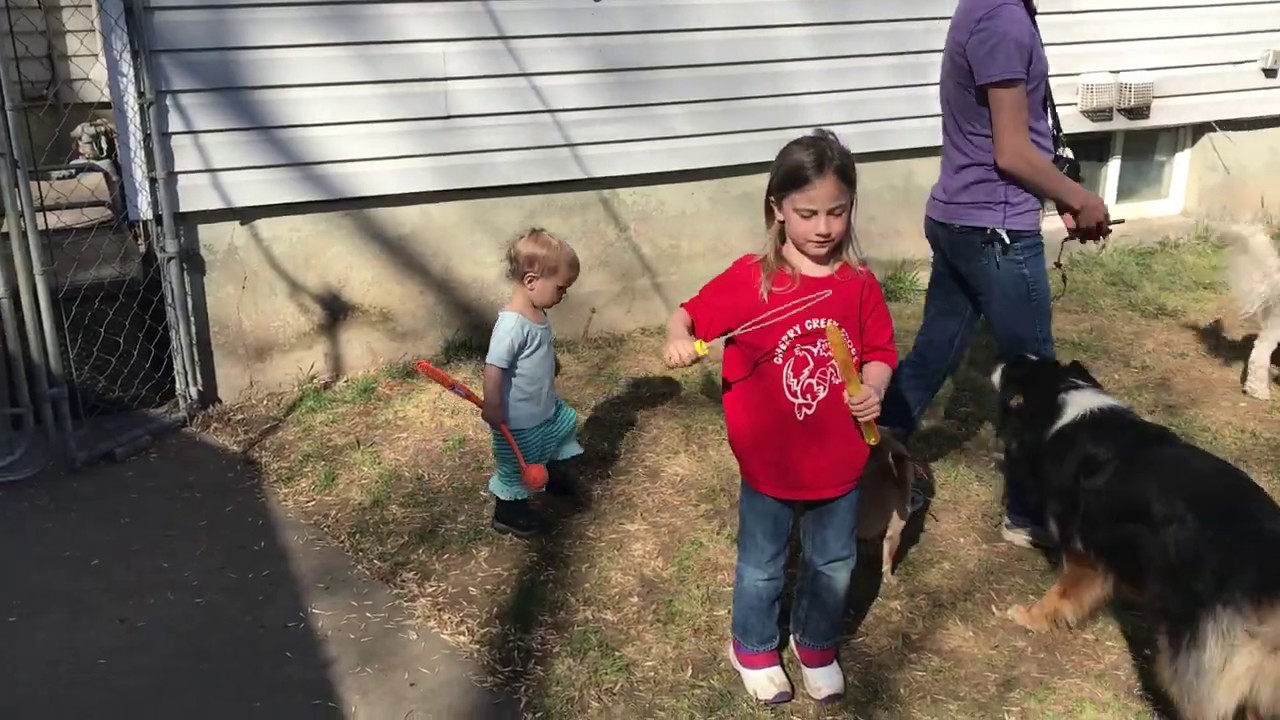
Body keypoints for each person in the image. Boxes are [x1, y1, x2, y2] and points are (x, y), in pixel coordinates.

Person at [664, 128, 898, 705]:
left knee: (834, 560)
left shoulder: (859, 285)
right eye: (807, 213)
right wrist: (677, 339)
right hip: (769, 462)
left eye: (837, 212)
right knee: (763, 564)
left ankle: (816, 641)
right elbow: (688, 316)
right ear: (777, 210)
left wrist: (873, 388)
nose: (823, 228)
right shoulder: (752, 280)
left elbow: (880, 353)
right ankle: (753, 644)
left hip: (840, 458)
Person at [879, 0, 1113, 550]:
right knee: (1037, 381)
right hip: (996, 232)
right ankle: (1028, 514)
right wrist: (1080, 196)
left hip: (961, 218)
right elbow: (1010, 152)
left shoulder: (987, 6)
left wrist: (1056, 193)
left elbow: (1009, 134)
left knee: (934, 353)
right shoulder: (1004, 22)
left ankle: (869, 465)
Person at [481, 228, 584, 538]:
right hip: (518, 418)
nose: (563, 295)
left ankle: (549, 475)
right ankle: (508, 512)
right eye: (561, 288)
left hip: (543, 406)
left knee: (562, 425)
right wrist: (494, 405)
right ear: (531, 281)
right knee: (517, 464)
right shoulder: (512, 324)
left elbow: (537, 349)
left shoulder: (536, 312)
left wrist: (551, 362)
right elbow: (494, 367)